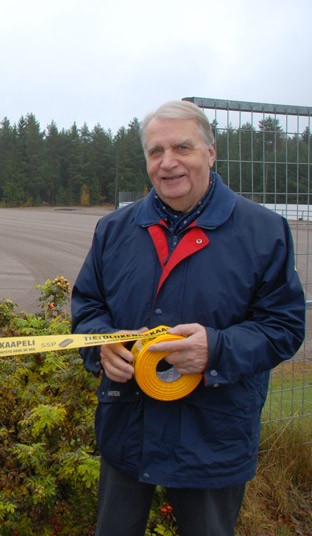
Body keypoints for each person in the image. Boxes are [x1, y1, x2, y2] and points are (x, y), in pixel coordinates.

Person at [71, 100, 305, 535]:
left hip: (213, 436)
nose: (168, 163)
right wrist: (102, 343)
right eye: (156, 152)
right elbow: (87, 307)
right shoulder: (115, 230)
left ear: (211, 153)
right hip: (128, 428)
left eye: (183, 147)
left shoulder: (263, 232)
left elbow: (284, 328)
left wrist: (215, 349)